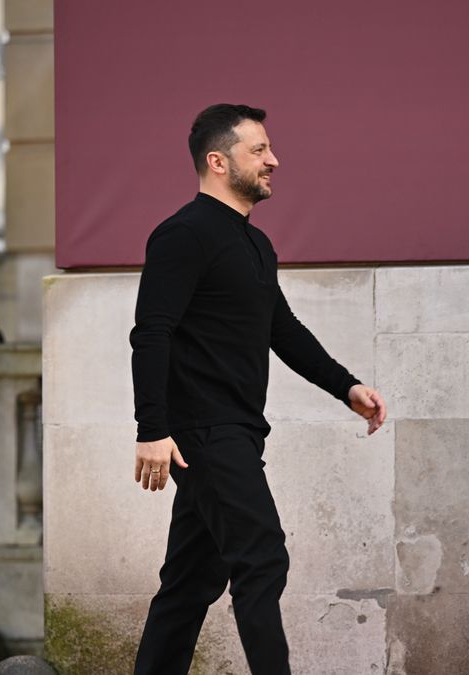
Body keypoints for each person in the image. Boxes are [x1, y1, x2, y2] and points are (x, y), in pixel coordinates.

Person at [129, 103, 386, 674]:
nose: (274, 160)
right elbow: (151, 332)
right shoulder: (182, 235)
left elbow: (281, 328)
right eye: (259, 150)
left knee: (190, 582)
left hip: (237, 429)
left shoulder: (255, 244)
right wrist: (152, 429)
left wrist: (346, 387)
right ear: (218, 161)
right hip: (205, 430)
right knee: (262, 558)